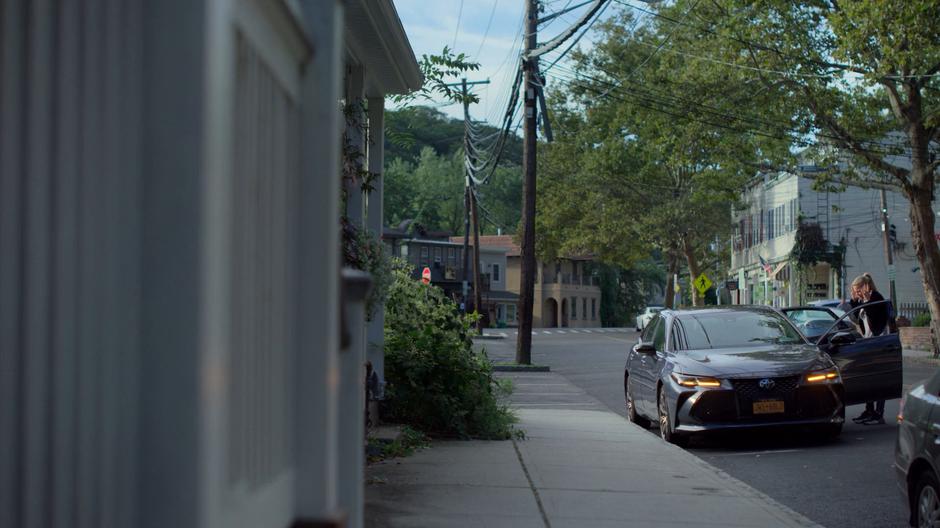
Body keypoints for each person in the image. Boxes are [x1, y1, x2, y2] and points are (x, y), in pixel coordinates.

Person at [847, 273, 890, 425]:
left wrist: (866, 301)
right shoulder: (865, 300)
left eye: (857, 290)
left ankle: (879, 414)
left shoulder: (876, 298)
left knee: (878, 379)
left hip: (879, 343)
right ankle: (869, 410)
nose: (856, 293)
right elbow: (855, 318)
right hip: (868, 342)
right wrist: (854, 301)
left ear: (866, 287)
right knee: (868, 380)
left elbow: (874, 317)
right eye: (854, 291)